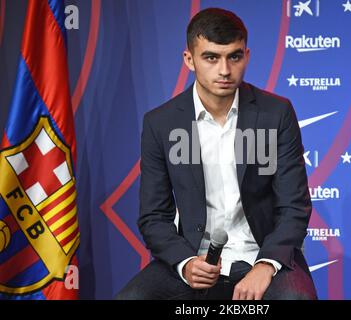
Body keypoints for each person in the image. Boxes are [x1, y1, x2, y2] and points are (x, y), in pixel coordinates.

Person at [115, 7, 317, 300]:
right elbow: (153, 217)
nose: (224, 70)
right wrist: (185, 263)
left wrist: (266, 265)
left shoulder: (276, 113)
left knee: (295, 299)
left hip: (262, 253)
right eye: (211, 57)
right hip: (192, 257)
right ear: (189, 59)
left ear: (246, 56)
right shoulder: (161, 123)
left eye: (233, 56)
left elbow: (294, 206)